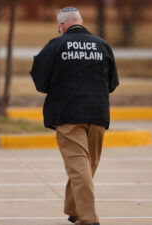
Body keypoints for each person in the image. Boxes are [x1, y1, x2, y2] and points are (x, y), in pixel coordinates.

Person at [30, 7, 119, 225]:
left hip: (68, 113)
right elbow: (112, 83)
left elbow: (40, 79)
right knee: (86, 167)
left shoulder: (56, 45)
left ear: (61, 26)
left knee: (79, 167)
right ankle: (74, 209)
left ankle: (88, 219)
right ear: (80, 21)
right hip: (97, 112)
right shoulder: (102, 44)